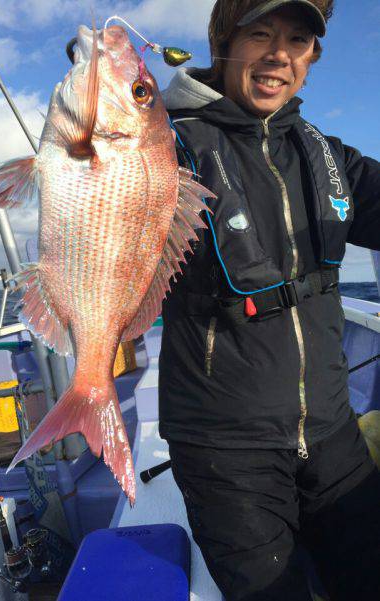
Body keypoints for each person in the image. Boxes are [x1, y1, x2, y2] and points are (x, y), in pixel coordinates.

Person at [159, 1, 380, 599]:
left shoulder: (327, 155)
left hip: (332, 430)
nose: (280, 54)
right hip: (226, 448)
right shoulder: (160, 149)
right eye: (261, 34)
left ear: (310, 58)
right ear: (222, 43)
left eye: (298, 40)